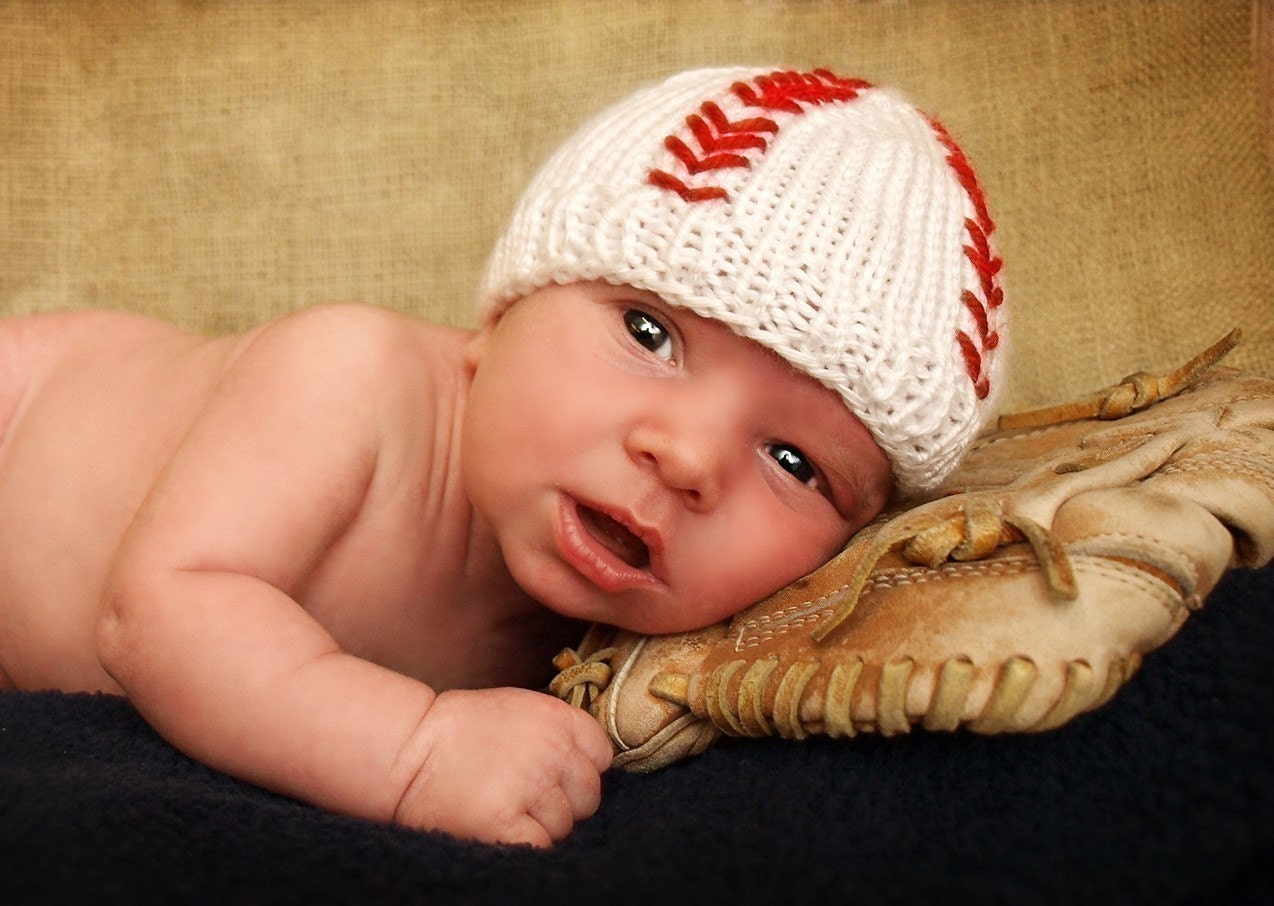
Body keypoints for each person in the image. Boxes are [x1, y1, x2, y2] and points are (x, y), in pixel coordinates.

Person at [0, 67, 1004, 847]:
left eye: (793, 461)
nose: (689, 456)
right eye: (648, 335)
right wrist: (413, 754)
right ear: (499, 322)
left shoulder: (632, 658)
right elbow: (162, 607)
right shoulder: (348, 379)